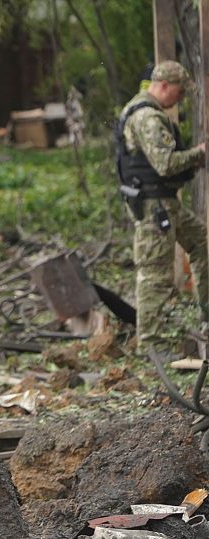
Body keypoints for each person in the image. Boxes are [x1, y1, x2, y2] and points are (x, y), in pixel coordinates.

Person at [116, 60, 207, 359]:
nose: (179, 101)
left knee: (202, 242)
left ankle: (206, 312)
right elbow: (165, 164)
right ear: (164, 86)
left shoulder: (147, 112)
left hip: (167, 204)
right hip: (156, 207)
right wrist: (199, 154)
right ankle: (152, 344)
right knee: (155, 273)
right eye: (179, 94)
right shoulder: (147, 118)